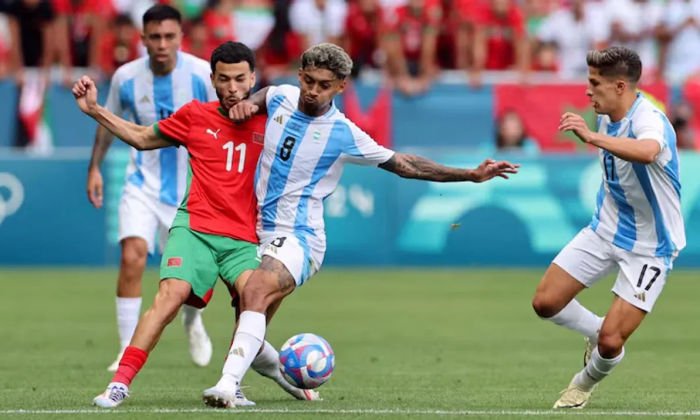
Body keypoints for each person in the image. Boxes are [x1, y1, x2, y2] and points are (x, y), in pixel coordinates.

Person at [201, 42, 520, 408]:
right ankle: (289, 382)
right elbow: (264, 95)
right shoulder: (281, 96)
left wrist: (470, 175)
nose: (312, 91)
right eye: (308, 80)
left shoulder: (343, 132)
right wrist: (249, 104)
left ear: (340, 87)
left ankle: (226, 386)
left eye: (323, 85)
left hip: (301, 238)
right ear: (300, 75)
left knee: (255, 293)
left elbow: (406, 164)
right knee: (249, 323)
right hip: (257, 232)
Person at [75, 42, 320, 408]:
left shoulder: (274, 122)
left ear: (254, 79)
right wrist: (95, 110)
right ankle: (119, 384)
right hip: (195, 230)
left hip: (245, 239)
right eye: (224, 79)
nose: (233, 87)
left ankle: (235, 381)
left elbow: (317, 126)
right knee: (168, 298)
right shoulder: (195, 116)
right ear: (213, 80)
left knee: (258, 301)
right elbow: (142, 138)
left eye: (241, 79)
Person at [531, 46, 685, 409]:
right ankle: (595, 329)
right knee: (545, 302)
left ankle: (581, 386)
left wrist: (591, 137)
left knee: (612, 344)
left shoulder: (649, 118)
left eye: (594, 83)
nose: (588, 91)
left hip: (651, 246)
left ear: (619, 86)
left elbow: (647, 151)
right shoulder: (606, 111)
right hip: (605, 229)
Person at [85, 4, 215, 372]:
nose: (161, 44)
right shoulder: (126, 77)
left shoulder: (203, 75)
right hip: (142, 182)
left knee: (187, 279)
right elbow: (107, 120)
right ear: (142, 39)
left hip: (192, 189)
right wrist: (94, 167)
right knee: (132, 257)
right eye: (154, 37)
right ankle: (126, 350)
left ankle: (193, 322)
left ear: (180, 38)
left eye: (169, 36)